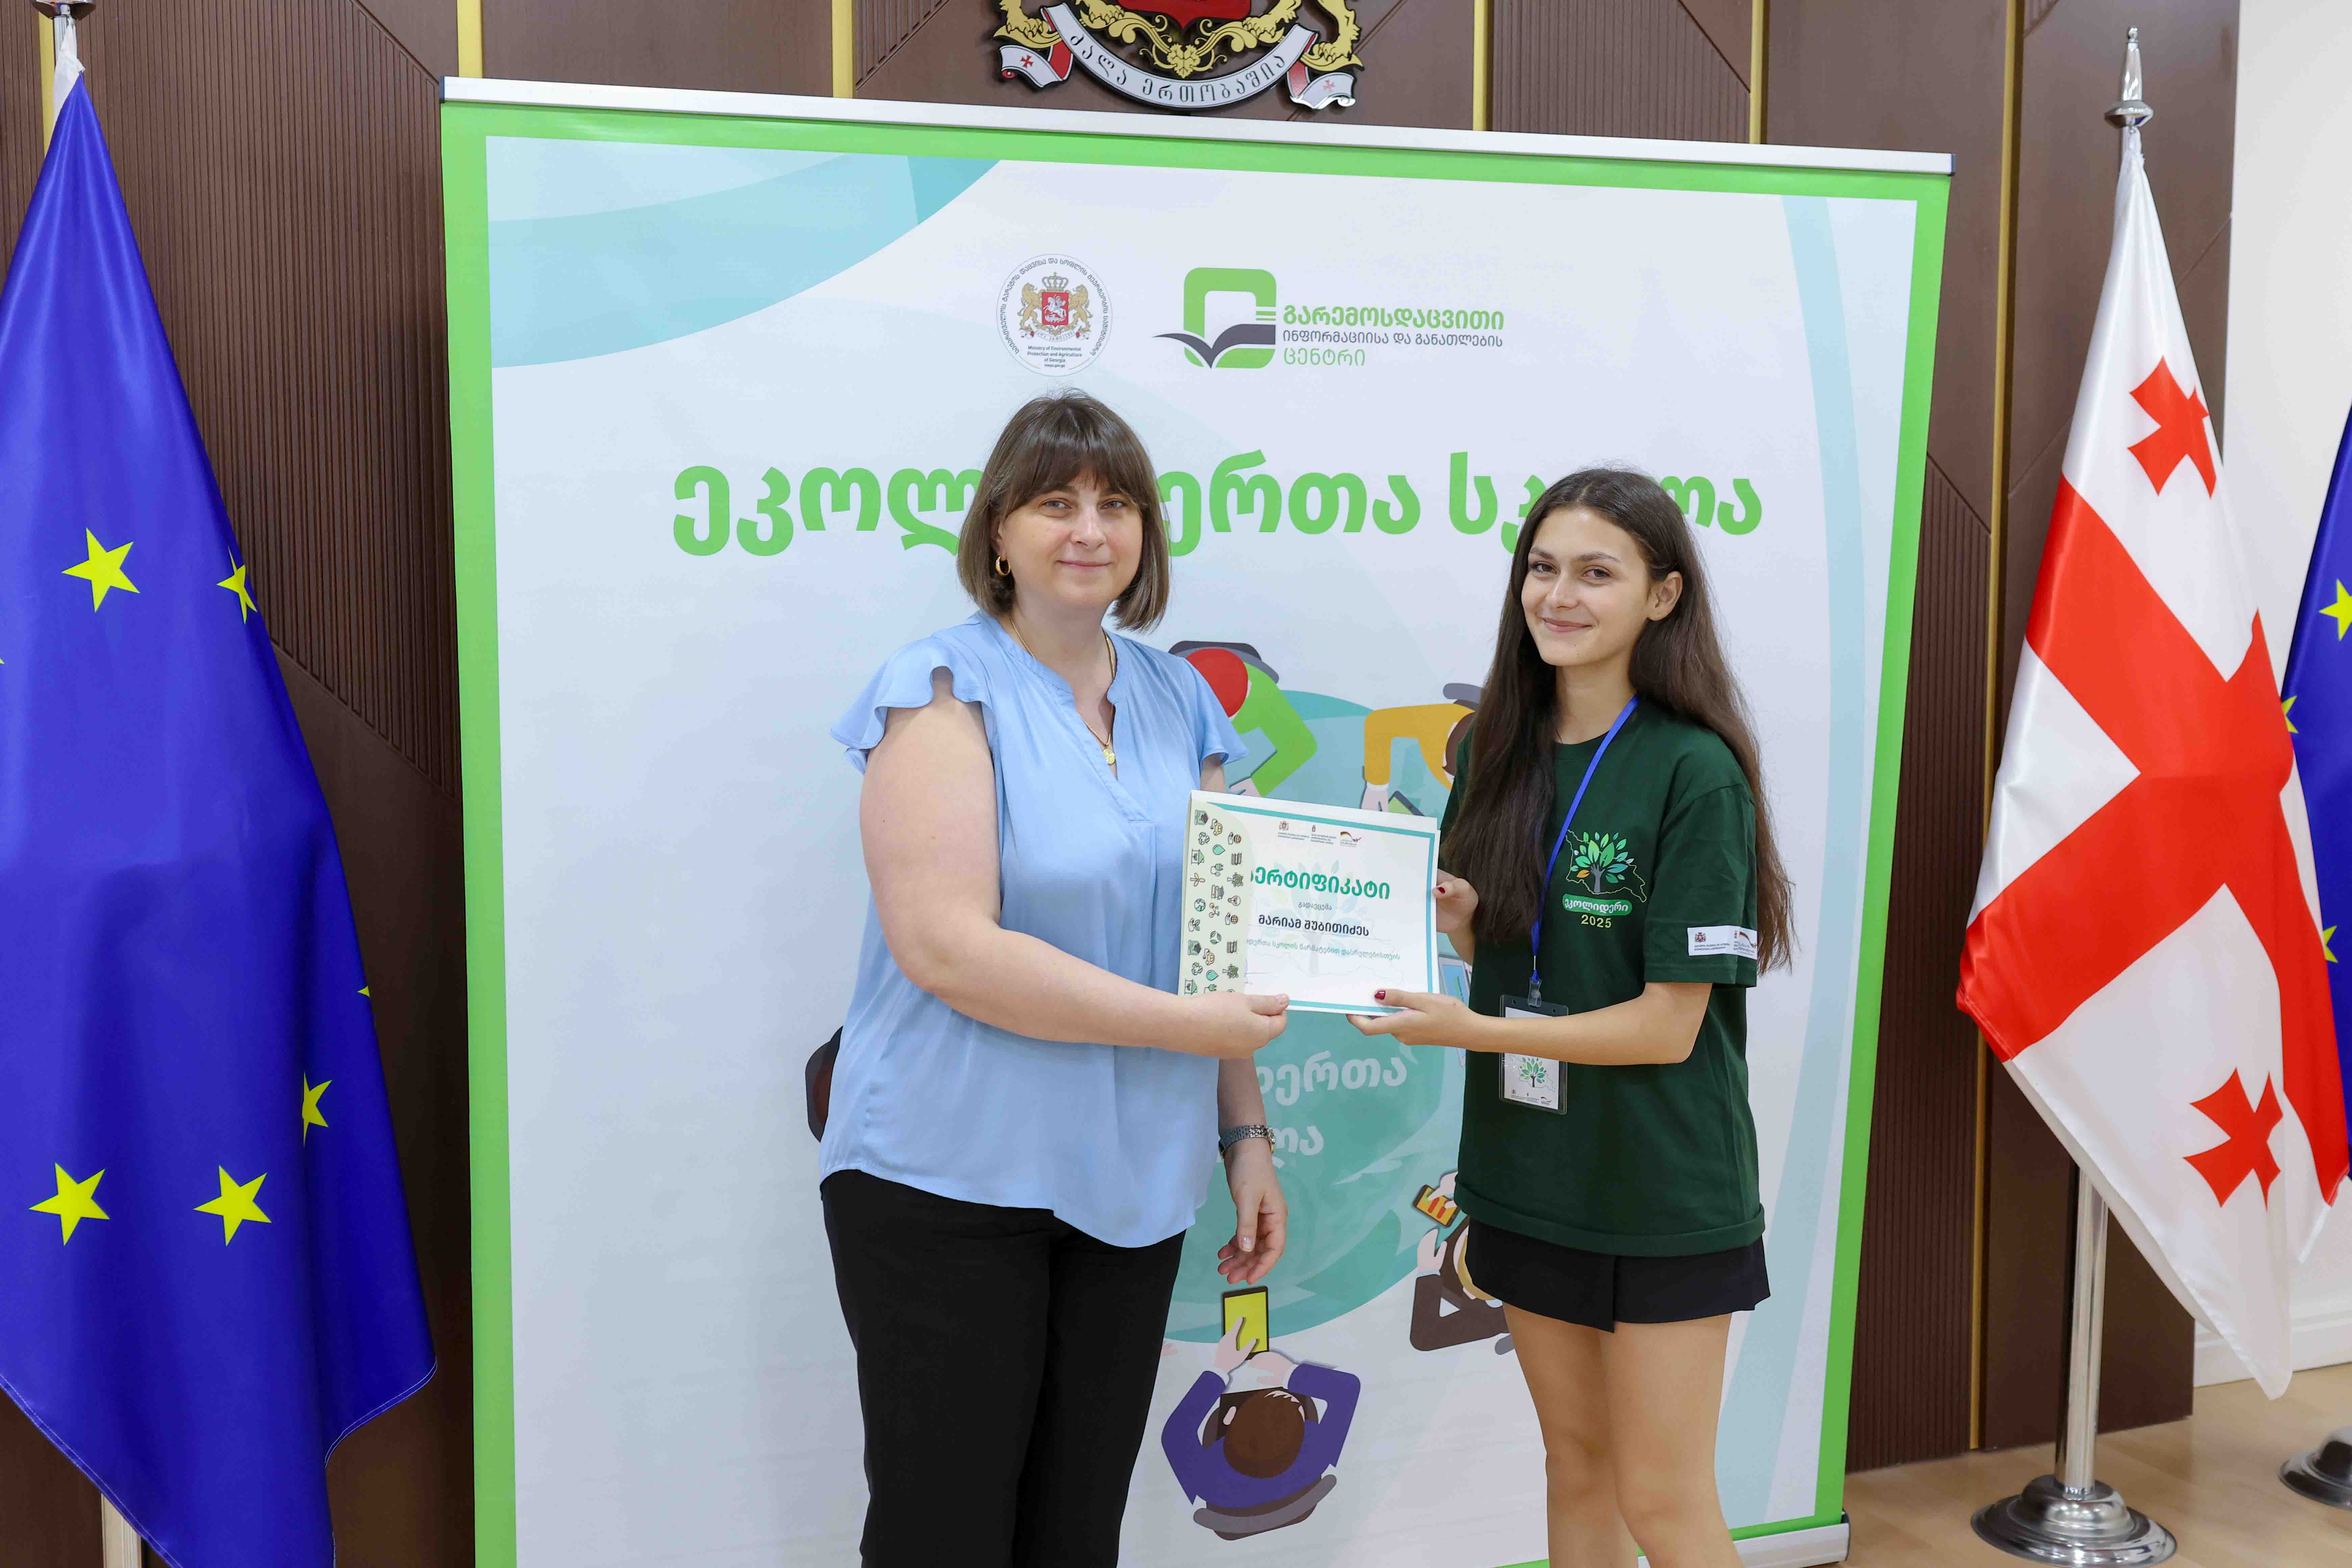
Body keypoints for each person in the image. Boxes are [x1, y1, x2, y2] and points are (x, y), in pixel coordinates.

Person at [820, 390, 1293, 1568]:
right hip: (950, 1173)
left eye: (1116, 504)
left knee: (1076, 1534)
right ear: (999, 532)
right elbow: (948, 947)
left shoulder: (1182, 699)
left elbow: (1218, 945)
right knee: (943, 1536)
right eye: (1055, 503)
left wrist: (1245, 1135)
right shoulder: (940, 689)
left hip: (1132, 1178)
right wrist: (1183, 1026)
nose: (1090, 528)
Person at [1349, 468, 1794, 1568]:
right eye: (1543, 569)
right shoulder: (1490, 751)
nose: (1560, 595)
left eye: (1598, 573)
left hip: (1660, 1185)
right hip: (1530, 1169)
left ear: (1663, 596)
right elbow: (1522, 960)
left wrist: (1477, 1032)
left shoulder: (1695, 771)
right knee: (1577, 1468)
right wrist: (1466, 928)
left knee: (1664, 1502)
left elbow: (1665, 1027)